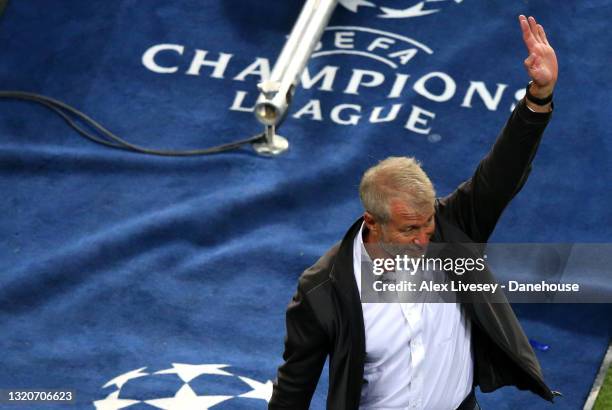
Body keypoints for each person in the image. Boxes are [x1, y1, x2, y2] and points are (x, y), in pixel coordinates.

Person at [269, 15, 559, 410]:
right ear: (373, 221)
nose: (425, 240)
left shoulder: (453, 227)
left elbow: (501, 173)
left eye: (428, 224)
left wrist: (538, 98)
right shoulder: (322, 289)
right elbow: (294, 386)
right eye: (410, 230)